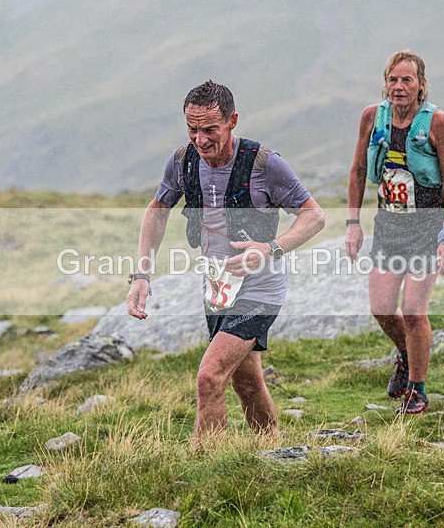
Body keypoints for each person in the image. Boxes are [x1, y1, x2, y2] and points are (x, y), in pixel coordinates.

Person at [127, 80, 325, 442]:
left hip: (261, 289)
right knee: (246, 382)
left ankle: (206, 462)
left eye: (210, 130)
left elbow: (314, 216)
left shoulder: (265, 164)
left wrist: (270, 248)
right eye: (192, 129)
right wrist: (141, 275)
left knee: (210, 376)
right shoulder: (183, 161)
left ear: (232, 121)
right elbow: (157, 212)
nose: (200, 140)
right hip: (217, 287)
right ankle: (270, 446)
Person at [345, 50, 444, 414]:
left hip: (427, 227)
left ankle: (417, 390)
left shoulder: (438, 123)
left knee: (413, 310)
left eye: (406, 80)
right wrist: (352, 224)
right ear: (385, 84)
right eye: (392, 80)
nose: (398, 86)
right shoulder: (372, 117)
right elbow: (358, 171)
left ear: (421, 85)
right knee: (381, 308)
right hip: (389, 226)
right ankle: (407, 355)